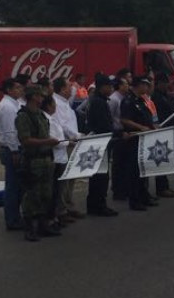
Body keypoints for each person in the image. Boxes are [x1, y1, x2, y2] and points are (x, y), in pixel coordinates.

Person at [16, 86, 61, 241]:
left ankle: (43, 225)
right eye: (40, 96)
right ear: (34, 96)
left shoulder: (41, 115)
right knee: (31, 195)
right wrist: (47, 141)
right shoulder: (24, 116)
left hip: (46, 159)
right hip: (33, 160)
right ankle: (29, 228)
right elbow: (25, 140)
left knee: (46, 194)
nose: (42, 98)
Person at [120, 76, 158, 211]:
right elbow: (124, 119)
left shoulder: (142, 100)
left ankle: (144, 196)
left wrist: (152, 126)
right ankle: (134, 200)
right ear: (138, 85)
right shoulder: (128, 101)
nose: (147, 88)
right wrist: (140, 127)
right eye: (145, 85)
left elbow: (147, 116)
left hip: (145, 139)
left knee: (144, 168)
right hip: (134, 138)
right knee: (135, 171)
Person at [52, 78, 86, 220]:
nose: (72, 89)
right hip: (66, 143)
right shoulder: (56, 103)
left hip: (73, 142)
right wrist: (76, 136)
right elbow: (62, 125)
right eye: (69, 87)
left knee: (72, 176)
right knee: (63, 179)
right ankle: (61, 209)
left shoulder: (65, 102)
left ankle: (68, 204)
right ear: (61, 89)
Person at [86, 75, 119, 216]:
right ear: (102, 87)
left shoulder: (101, 101)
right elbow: (103, 125)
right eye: (109, 86)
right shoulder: (98, 102)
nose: (111, 89)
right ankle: (98, 205)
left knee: (100, 175)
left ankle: (97, 204)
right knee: (100, 176)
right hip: (100, 142)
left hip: (102, 141)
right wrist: (116, 134)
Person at [0, 78, 25, 231]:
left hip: (14, 148)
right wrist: (14, 150)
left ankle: (16, 216)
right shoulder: (7, 107)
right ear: (9, 90)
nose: (20, 90)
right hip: (11, 149)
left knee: (18, 185)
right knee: (13, 186)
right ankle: (12, 220)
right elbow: (9, 132)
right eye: (17, 87)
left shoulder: (15, 104)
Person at [42, 94, 72, 229]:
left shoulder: (53, 119)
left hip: (61, 156)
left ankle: (56, 216)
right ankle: (52, 218)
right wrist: (68, 143)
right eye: (53, 104)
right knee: (54, 190)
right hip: (56, 158)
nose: (55, 106)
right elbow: (54, 141)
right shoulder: (46, 120)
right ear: (48, 106)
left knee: (59, 190)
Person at [150, 74, 174, 198]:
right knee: (161, 160)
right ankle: (161, 188)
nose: (167, 85)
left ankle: (166, 186)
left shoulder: (165, 95)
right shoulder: (156, 97)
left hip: (168, 129)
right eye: (165, 83)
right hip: (161, 129)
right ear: (159, 84)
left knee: (166, 159)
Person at [108, 77, 130, 201]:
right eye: (126, 83)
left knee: (124, 163)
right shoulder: (114, 99)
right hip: (117, 133)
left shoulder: (124, 98)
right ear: (120, 86)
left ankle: (124, 188)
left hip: (125, 132)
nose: (128, 86)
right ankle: (117, 190)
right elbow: (110, 117)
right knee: (118, 163)